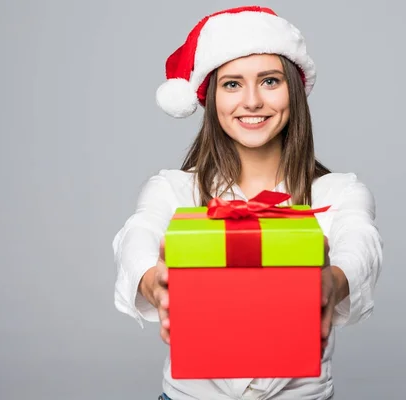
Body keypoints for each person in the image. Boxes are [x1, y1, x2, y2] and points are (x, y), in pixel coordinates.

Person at [112, 5, 383, 400]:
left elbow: (361, 244)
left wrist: (333, 281)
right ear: (211, 98)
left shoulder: (337, 193)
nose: (252, 101)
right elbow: (136, 236)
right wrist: (156, 284)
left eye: (270, 81)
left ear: (294, 88)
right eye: (233, 84)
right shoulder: (173, 191)